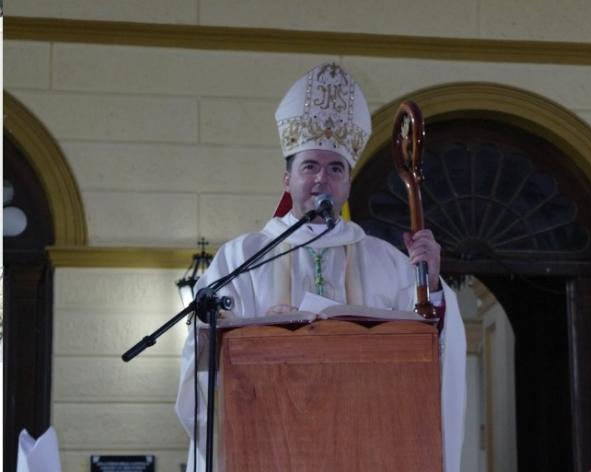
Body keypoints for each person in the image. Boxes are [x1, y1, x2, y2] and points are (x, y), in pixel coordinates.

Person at [175, 63, 466, 471]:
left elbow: (431, 347)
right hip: (266, 444)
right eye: (309, 166)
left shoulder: (384, 260)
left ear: (347, 184)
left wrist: (431, 283)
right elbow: (202, 353)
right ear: (287, 178)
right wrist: (262, 336)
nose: (321, 180)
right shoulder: (242, 258)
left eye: (335, 169)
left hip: (364, 444)